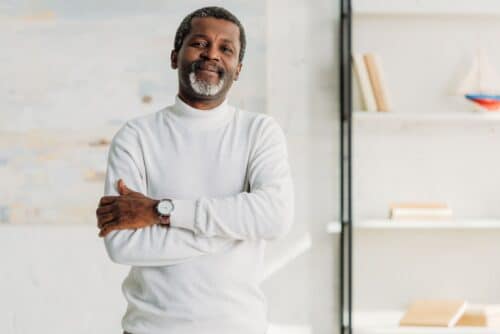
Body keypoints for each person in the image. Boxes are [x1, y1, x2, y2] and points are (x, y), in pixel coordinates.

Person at [95, 6, 294, 334]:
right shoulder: (136, 136)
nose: (211, 55)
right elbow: (122, 245)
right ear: (175, 56)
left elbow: (275, 217)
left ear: (238, 68)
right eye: (200, 43)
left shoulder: (259, 131)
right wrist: (232, 230)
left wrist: (161, 212)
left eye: (225, 49)